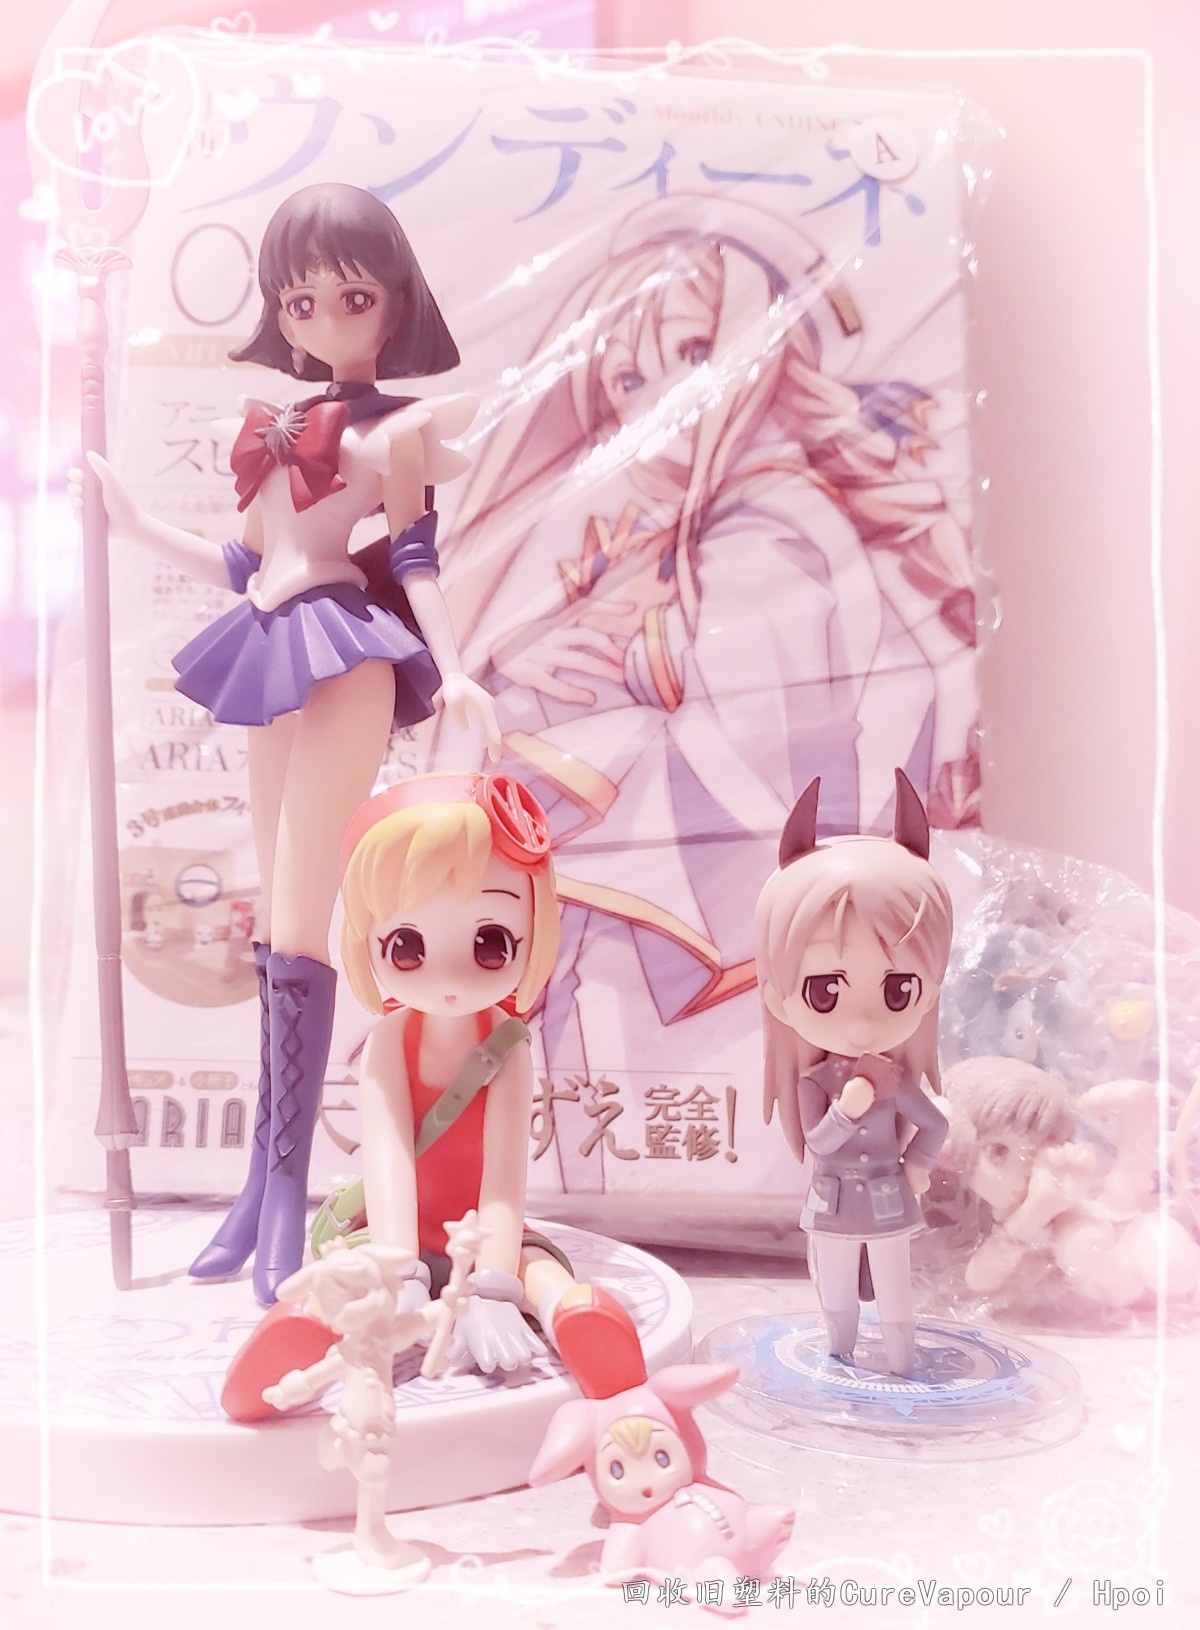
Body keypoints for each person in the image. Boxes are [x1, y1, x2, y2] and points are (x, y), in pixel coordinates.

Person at [437, 195, 975, 1193]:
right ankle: (529, 1185)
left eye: (692, 357)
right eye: (627, 379)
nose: (657, 407)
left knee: (551, 880)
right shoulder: (698, 518)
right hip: (745, 883)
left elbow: (764, 722)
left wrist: (591, 669)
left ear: (762, 357)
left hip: (780, 874)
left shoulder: (777, 519)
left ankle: (538, 1181)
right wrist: (524, 666)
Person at [81, 183, 499, 1303]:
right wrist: (132, 526)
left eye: (352, 297)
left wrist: (454, 666)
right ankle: (261, 1190)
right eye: (300, 301)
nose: (322, 320)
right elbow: (243, 562)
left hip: (346, 656)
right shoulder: (266, 425)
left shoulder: (398, 431)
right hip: (268, 641)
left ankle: (283, 1192)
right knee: (276, 917)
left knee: (306, 912)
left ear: (396, 302)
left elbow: (413, 556)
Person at [220, 773, 646, 1421]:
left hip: (484, 1233)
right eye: (408, 946)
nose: (448, 976)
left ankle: (574, 1315)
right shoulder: (391, 1042)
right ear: (368, 940)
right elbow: (387, 1158)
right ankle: (304, 1326)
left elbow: (504, 1177)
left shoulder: (509, 1047)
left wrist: (493, 1284)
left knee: (536, 1268)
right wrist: (400, 1268)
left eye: (490, 943)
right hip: (394, 1230)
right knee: (357, 1279)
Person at [756, 770, 952, 1374]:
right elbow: (817, 1142)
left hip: (890, 1201)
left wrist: (917, 1166)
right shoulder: (815, 1084)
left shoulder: (896, 1081)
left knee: (895, 1289)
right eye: (825, 990)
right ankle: (837, 1359)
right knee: (836, 1289)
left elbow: (934, 1125)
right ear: (779, 994)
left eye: (899, 990)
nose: (863, 1022)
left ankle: (901, 1361)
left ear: (929, 990)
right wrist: (849, 1108)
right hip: (831, 1202)